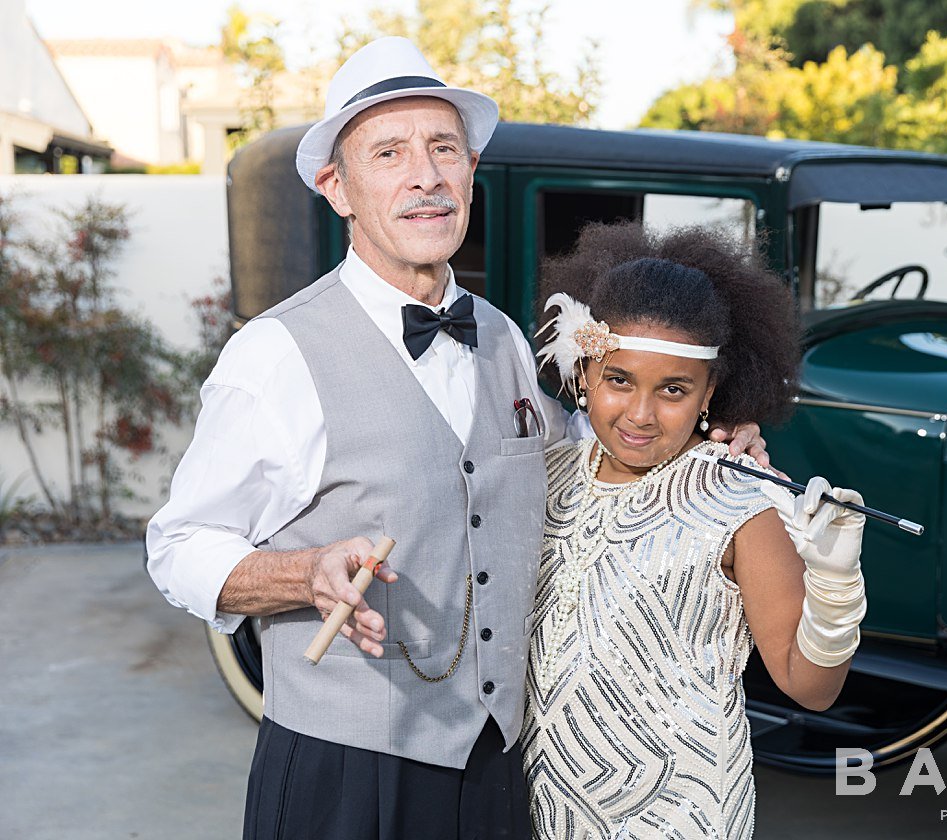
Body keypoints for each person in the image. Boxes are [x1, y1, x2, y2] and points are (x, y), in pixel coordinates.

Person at [145, 37, 766, 840]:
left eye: (444, 148)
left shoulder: (506, 338)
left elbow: (584, 464)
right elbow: (179, 544)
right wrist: (304, 573)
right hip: (346, 768)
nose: (425, 176)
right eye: (389, 152)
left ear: (470, 170)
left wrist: (707, 449)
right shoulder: (274, 354)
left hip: (496, 762)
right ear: (338, 187)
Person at [523, 222, 869, 839]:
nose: (640, 414)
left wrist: (836, 582)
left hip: (680, 816)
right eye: (619, 380)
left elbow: (810, 689)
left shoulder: (741, 506)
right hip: (542, 810)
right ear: (583, 370)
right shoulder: (544, 478)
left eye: (673, 391)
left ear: (711, 392)